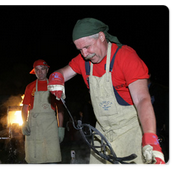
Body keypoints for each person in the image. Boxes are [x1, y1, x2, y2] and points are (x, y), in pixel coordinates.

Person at [47, 18, 165, 165]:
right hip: (101, 132)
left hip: (130, 130)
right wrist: (56, 78)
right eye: (80, 49)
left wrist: (150, 137)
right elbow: (61, 73)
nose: (84, 54)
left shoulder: (126, 57)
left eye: (87, 47)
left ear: (101, 37)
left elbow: (142, 100)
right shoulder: (83, 61)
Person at [21, 59, 64, 164]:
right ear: (34, 71)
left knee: (52, 157)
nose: (40, 72)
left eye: (42, 69)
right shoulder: (30, 87)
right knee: (34, 157)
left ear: (47, 70)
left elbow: (60, 109)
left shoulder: (54, 86)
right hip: (34, 126)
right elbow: (25, 107)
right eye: (37, 70)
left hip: (50, 126)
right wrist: (24, 122)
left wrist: (61, 128)